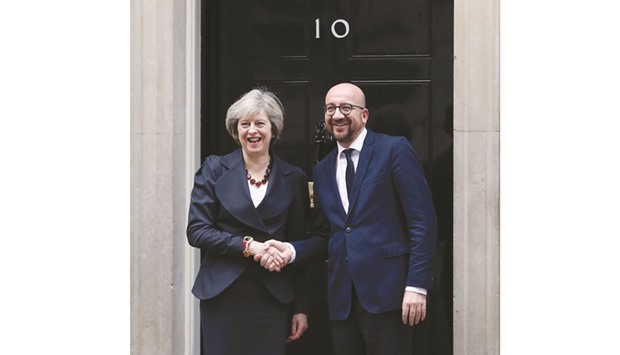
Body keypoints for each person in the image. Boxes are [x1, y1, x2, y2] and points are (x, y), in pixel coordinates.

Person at [257, 82, 437, 355]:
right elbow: (325, 234)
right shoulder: (323, 169)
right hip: (342, 302)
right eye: (330, 108)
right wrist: (291, 250)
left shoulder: (393, 150)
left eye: (346, 107)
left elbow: (422, 222)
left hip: (390, 297)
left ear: (364, 115)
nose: (337, 115)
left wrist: (417, 285)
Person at [186, 87, 310, 355]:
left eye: (260, 124)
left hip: (273, 298)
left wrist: (300, 307)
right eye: (245, 124)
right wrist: (249, 246)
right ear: (236, 130)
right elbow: (196, 231)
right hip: (224, 296)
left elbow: (298, 242)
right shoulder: (214, 168)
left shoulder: (294, 177)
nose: (252, 131)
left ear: (273, 129)